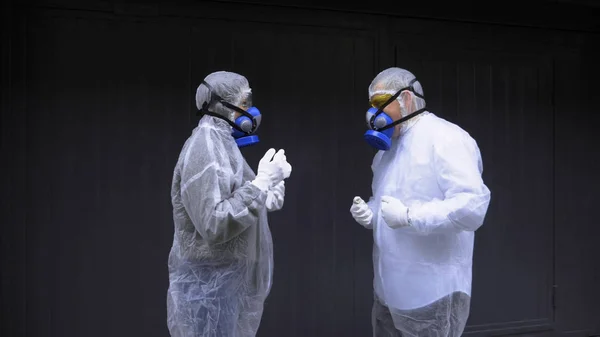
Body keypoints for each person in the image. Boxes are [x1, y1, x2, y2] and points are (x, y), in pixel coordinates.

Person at [350, 67, 491, 337]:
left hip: (432, 292)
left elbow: (472, 207)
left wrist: (410, 217)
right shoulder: (385, 154)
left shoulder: (446, 138)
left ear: (407, 99)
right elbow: (392, 202)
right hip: (388, 289)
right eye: (371, 105)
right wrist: (372, 213)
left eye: (380, 104)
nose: (373, 114)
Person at [166, 71, 291, 337]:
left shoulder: (222, 144)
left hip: (226, 285)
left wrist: (264, 193)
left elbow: (230, 197)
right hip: (210, 289)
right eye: (245, 102)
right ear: (223, 104)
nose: (251, 110)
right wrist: (259, 185)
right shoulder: (205, 147)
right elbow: (214, 223)